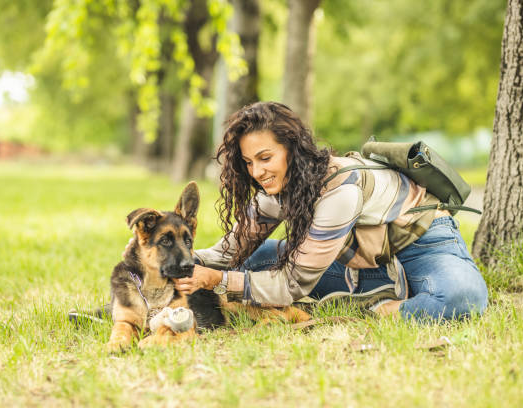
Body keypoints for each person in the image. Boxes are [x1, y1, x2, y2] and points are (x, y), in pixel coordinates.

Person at [174, 102, 488, 321]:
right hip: (364, 260)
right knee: (252, 262)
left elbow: (291, 285)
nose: (256, 171)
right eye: (248, 162)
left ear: (292, 149)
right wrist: (169, 263)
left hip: (424, 243)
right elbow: (225, 254)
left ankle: (382, 308)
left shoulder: (340, 192)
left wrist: (217, 279)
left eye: (265, 157)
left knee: (462, 299)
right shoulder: (275, 190)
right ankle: (386, 288)